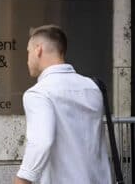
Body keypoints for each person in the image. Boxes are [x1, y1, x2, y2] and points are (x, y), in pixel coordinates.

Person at [14, 25, 111, 184]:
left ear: (38, 50)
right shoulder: (93, 88)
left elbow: (41, 142)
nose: (27, 58)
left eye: (28, 51)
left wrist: (22, 179)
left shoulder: (38, 93)